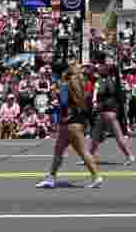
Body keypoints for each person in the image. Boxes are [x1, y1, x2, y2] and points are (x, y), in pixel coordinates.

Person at [36, 61, 102, 189]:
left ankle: (96, 176)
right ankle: (51, 178)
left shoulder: (66, 85)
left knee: (82, 152)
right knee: (58, 151)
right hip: (74, 122)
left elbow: (64, 104)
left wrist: (56, 103)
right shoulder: (78, 85)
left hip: (69, 124)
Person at [88, 60, 136, 164]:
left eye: (101, 68)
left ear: (106, 71)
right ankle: (88, 158)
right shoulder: (106, 80)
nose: (99, 69)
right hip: (102, 113)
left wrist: (97, 94)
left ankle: (129, 156)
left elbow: (103, 93)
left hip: (108, 112)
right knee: (95, 137)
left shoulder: (108, 81)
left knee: (118, 137)